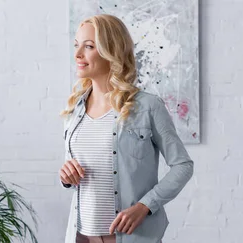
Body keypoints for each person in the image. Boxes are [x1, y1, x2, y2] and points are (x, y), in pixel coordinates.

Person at [59, 14, 194, 243]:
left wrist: (145, 206)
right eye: (76, 45)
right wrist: (66, 177)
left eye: (89, 46)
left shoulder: (147, 106)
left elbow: (183, 166)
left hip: (131, 238)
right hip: (82, 236)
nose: (78, 54)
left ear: (110, 50)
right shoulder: (74, 110)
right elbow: (75, 176)